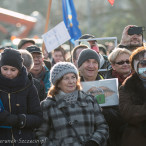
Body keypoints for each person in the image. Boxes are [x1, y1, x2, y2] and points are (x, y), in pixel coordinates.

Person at [35, 62, 109, 146]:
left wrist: (94, 141)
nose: (71, 81)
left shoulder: (89, 100)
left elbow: (103, 127)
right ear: (57, 83)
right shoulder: (48, 105)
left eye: (73, 77)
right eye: (66, 78)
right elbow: (40, 135)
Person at [0, 48, 42, 146]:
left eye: (13, 70)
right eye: (5, 69)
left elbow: (38, 118)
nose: (8, 73)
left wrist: (18, 120)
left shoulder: (29, 86)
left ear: (19, 70)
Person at [119, 46, 146, 146]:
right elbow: (128, 113)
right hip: (137, 139)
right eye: (142, 63)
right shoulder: (127, 86)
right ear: (134, 66)